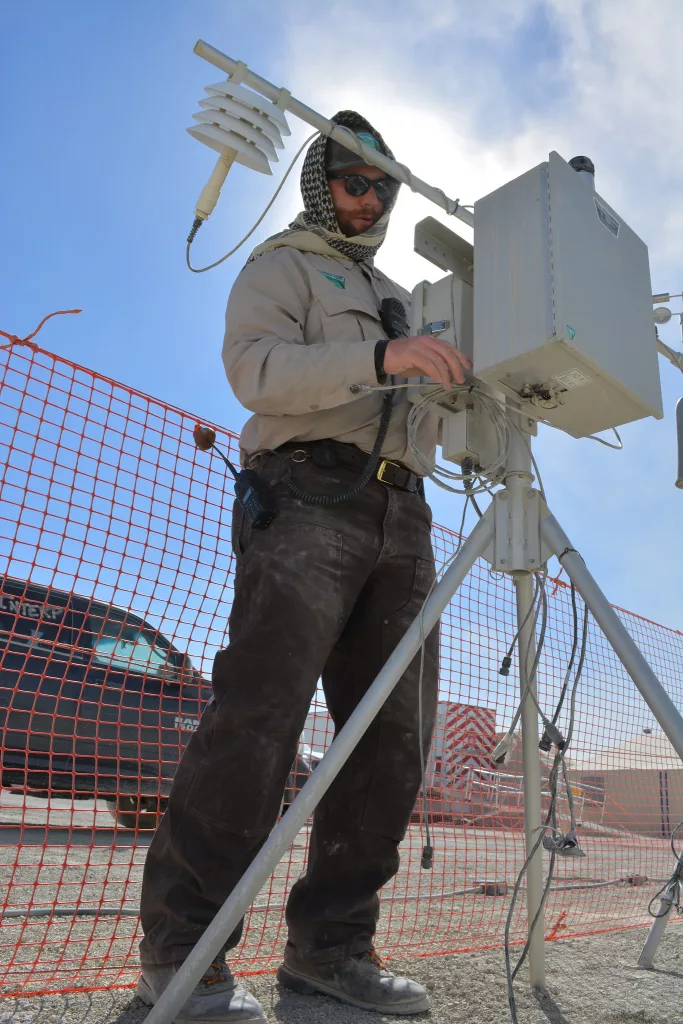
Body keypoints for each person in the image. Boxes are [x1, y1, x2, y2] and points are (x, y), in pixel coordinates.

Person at [137, 111, 471, 1022]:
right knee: (259, 721)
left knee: (390, 741)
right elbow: (255, 373)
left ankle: (331, 954)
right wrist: (381, 354)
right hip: (308, 496)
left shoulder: (405, 293)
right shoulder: (280, 265)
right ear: (322, 179)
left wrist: (464, 404)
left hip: (404, 513)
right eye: (354, 181)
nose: (369, 200)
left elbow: (426, 411)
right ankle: (184, 961)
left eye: (383, 189)